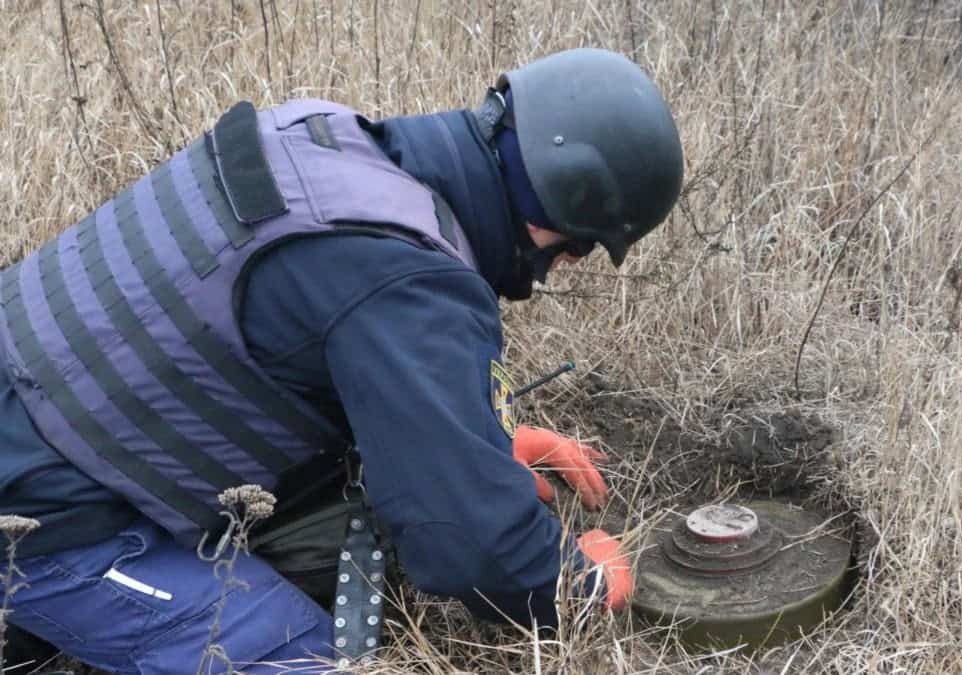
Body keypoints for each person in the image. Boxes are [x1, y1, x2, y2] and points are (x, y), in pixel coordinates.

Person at [0, 47, 684, 673]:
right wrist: (575, 579)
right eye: (581, 246)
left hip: (31, 408)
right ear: (563, 201)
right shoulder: (410, 283)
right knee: (295, 657)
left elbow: (306, 345)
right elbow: (473, 546)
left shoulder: (325, 138)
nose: (563, 266)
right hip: (40, 512)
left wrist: (480, 437)